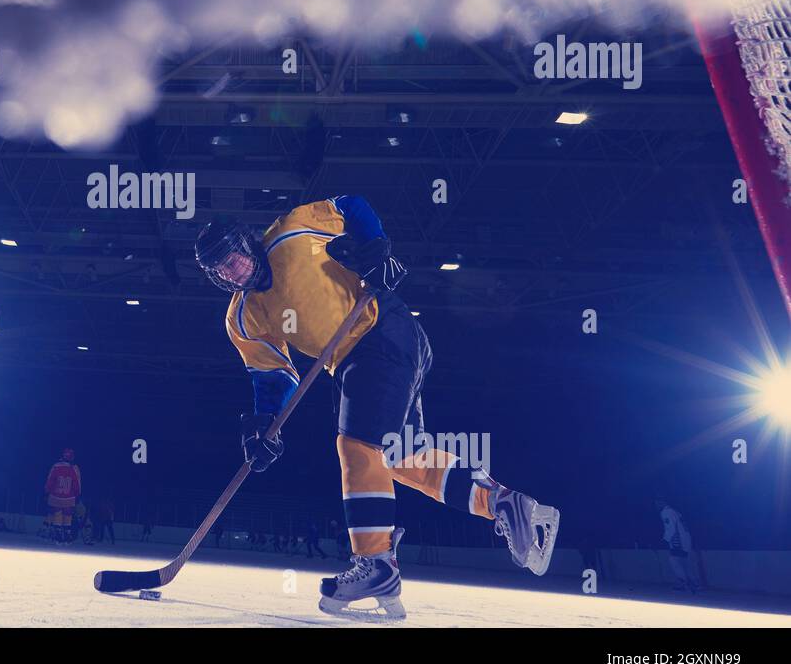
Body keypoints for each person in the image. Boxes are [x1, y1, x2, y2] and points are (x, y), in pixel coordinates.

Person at [196, 197, 560, 619]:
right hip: (353, 364)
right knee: (401, 458)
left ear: (247, 242)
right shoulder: (242, 319)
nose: (233, 269)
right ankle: (501, 503)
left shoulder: (291, 233)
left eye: (233, 256)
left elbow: (351, 205)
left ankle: (376, 563)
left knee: (357, 447)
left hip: (382, 331)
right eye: (221, 268)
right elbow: (274, 376)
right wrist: (264, 427)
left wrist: (374, 246)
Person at [655, 498, 701, 593]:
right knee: (685, 562)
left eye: (657, 502)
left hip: (678, 540)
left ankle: (684, 582)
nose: (656, 505)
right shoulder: (675, 511)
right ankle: (694, 583)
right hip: (685, 539)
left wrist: (665, 540)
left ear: (663, 502)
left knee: (674, 560)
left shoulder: (666, 512)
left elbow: (670, 528)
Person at [44, 448, 81, 546]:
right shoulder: (74, 468)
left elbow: (50, 480)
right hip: (69, 497)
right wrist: (77, 495)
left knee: (57, 514)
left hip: (56, 495)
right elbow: (77, 483)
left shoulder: (56, 466)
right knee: (68, 516)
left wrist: (47, 491)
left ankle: (58, 535)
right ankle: (67, 535)